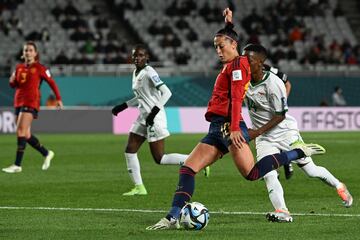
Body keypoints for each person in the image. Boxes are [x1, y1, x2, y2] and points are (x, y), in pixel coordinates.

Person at [146, 9, 325, 230]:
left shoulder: (239, 65)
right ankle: (172, 217)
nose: (218, 51)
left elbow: (237, 95)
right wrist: (228, 24)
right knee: (188, 168)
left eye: (221, 46)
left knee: (253, 173)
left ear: (233, 45)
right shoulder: (233, 61)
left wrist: (234, 129)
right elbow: (230, 43)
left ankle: (298, 152)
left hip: (229, 126)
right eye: (215, 47)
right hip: (216, 128)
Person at [242, 43, 353, 223]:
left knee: (311, 170)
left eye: (249, 60)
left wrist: (256, 131)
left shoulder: (273, 84)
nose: (244, 62)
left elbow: (280, 115)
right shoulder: (243, 79)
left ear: (260, 63)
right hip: (264, 137)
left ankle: (339, 186)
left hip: (285, 132)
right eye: (242, 58)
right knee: (268, 173)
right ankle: (283, 211)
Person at [111, 45, 210, 196]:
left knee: (160, 158)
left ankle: (197, 161)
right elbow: (141, 96)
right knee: (130, 150)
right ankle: (139, 187)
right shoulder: (136, 73)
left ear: (147, 58)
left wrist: (153, 113)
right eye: (135, 56)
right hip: (144, 116)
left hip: (154, 118)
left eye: (141, 55)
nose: (137, 58)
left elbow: (166, 92)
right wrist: (123, 106)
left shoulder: (150, 72)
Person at [2, 41, 63, 173]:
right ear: (23, 54)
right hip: (18, 102)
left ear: (35, 53)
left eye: (30, 50)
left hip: (31, 102)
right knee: (26, 134)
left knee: (20, 131)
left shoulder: (40, 68)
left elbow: (51, 82)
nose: (28, 52)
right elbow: (14, 85)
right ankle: (46, 153)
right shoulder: (18, 68)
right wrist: (11, 80)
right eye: (25, 50)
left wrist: (58, 98)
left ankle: (17, 165)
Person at [262, 63, 294, 179]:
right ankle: (275, 168)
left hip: (275, 111)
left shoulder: (269, 69)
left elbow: (288, 83)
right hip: (263, 111)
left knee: (277, 135)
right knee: (267, 138)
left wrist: (282, 101)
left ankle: (285, 160)